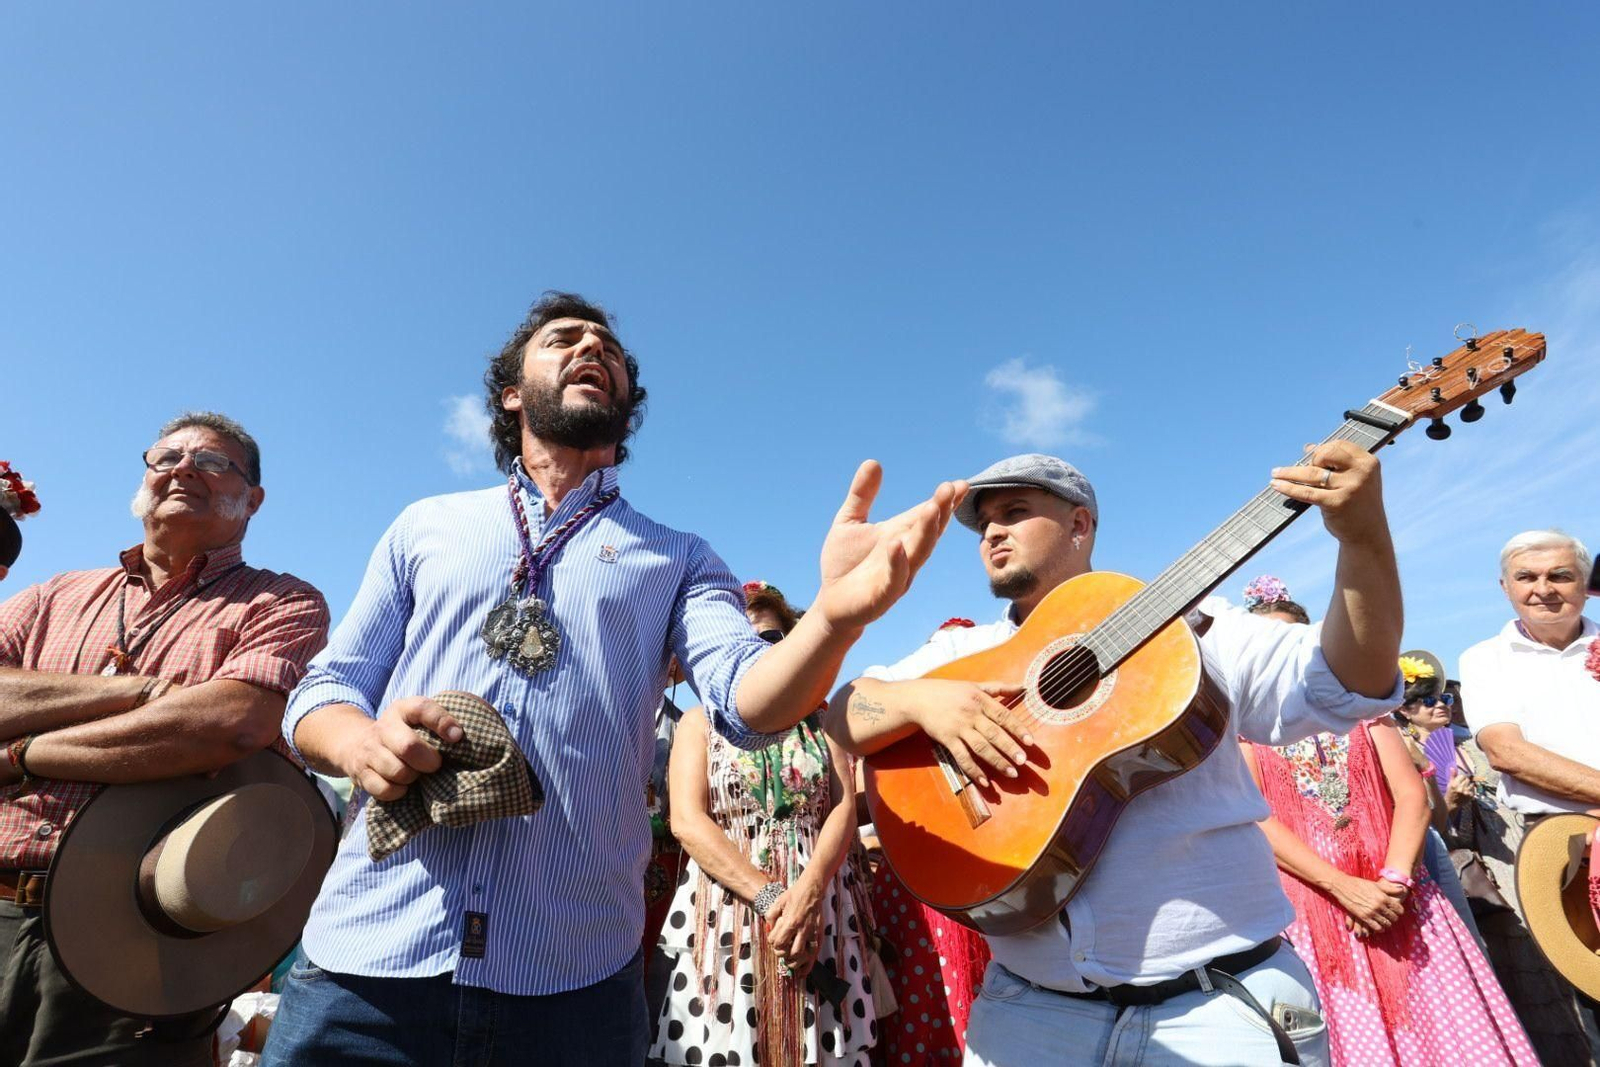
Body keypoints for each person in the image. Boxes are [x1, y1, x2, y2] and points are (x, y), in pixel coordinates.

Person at [262, 292, 964, 1066]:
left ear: (627, 401)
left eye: (610, 348)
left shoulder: (680, 557)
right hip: (369, 963)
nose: (592, 345)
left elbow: (748, 704)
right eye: (563, 339)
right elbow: (323, 691)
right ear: (510, 392)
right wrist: (360, 744)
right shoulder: (425, 526)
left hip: (572, 989)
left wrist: (835, 618)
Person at [829, 448, 1406, 1067]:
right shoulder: (960, 650)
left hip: (1221, 1010)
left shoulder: (1200, 630)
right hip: (1027, 1012)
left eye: (1015, 511)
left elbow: (1349, 683)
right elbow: (844, 713)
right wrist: (920, 702)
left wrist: (1363, 537)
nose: (993, 531)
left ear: (1080, 525)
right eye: (984, 523)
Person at [0, 412, 330, 1066]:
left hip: (140, 934)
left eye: (212, 462)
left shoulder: (280, 603)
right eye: (166, 457)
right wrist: (146, 693)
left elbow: (231, 723)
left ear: (252, 499)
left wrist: (22, 752)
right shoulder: (50, 595)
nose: (182, 469)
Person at [652, 581, 877, 1066]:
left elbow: (841, 807)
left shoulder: (822, 720)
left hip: (823, 910)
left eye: (770, 641)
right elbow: (687, 821)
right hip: (730, 914)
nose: (757, 653)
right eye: (741, 640)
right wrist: (774, 898)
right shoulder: (699, 722)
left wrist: (810, 894)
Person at [1242, 706, 1535, 1063]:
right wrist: (1341, 887)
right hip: (1319, 918)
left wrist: (1393, 883)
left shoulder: (1366, 712)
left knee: (1448, 1029)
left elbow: (1413, 797)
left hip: (1407, 905)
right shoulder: (1248, 728)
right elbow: (1257, 819)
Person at [1460, 528, 1600, 1063]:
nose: (1544, 588)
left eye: (1560, 575)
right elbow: (1506, 752)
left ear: (1584, 584)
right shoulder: (1485, 657)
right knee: (1596, 986)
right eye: (1527, 577)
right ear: (1505, 587)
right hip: (1565, 847)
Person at [868, 617, 993, 1064]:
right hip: (910, 880)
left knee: (961, 978)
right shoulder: (902, 727)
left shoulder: (990, 719)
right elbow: (858, 707)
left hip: (967, 870)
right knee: (920, 984)